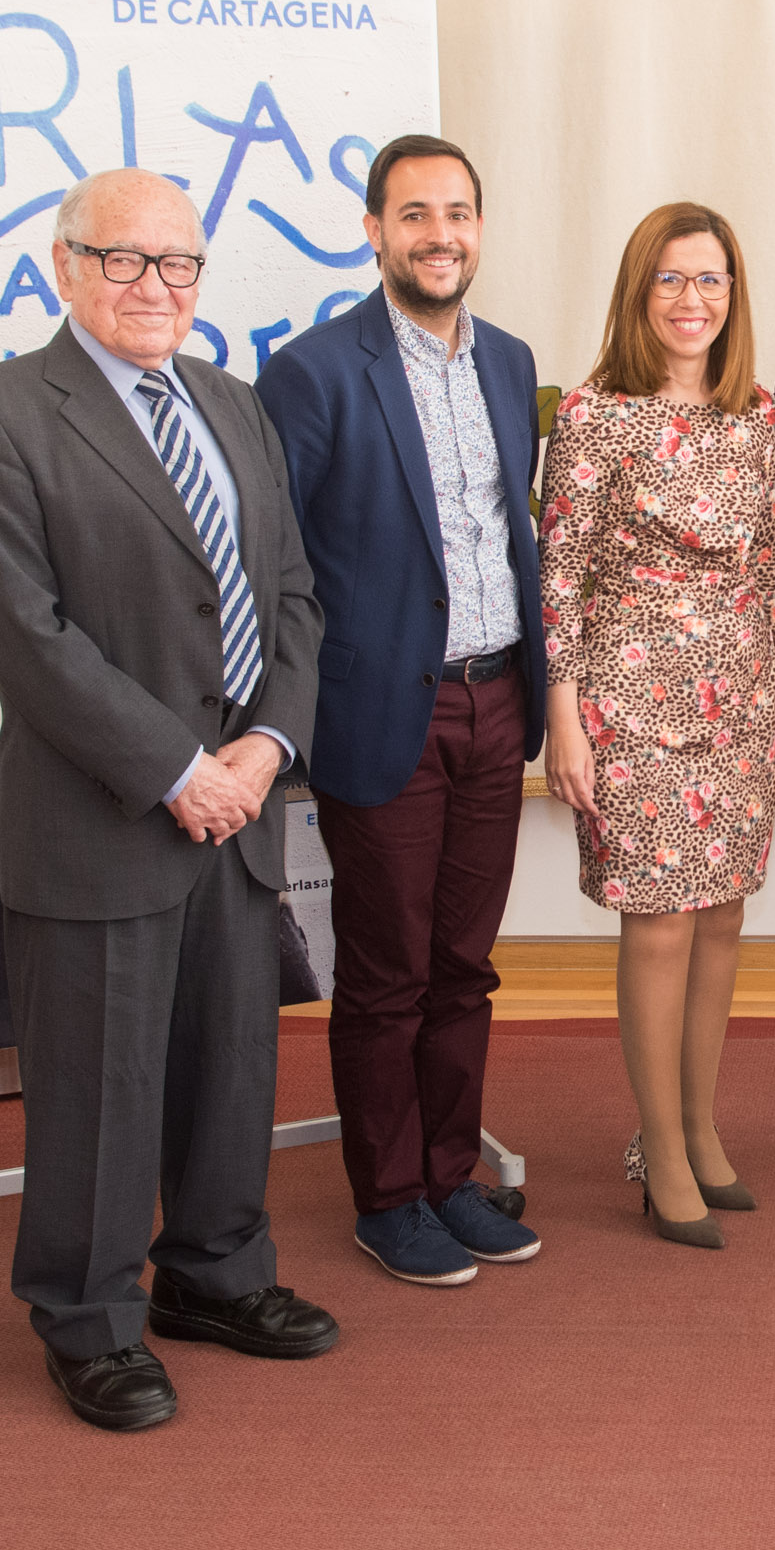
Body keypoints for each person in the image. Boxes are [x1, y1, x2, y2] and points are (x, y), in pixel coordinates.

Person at [0, 167, 337, 1434]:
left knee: (231, 1061)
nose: (157, 287)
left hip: (243, 805)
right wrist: (179, 769)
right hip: (107, 811)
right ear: (64, 266)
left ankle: (215, 1276)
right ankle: (89, 1319)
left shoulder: (232, 402)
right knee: (98, 1088)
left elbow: (288, 596)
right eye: (126, 260)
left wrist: (266, 748)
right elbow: (28, 634)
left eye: (180, 264)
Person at [255, 135, 547, 1287]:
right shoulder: (315, 372)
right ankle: (389, 1198)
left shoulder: (511, 361)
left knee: (466, 965)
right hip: (383, 712)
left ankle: (449, 1175)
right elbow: (280, 559)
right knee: (387, 973)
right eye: (415, 213)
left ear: (481, 226)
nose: (441, 234)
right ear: (372, 230)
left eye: (460, 212)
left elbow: (502, 528)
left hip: (497, 699)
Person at [538, 203, 775, 1248]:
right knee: (658, 920)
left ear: (733, 294)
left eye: (710, 280)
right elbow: (556, 579)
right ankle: (658, 1147)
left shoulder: (757, 412)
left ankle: (700, 1127)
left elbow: (770, 564)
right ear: (636, 292)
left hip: (740, 697)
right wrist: (562, 720)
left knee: (723, 916)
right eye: (669, 280)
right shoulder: (593, 415)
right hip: (632, 704)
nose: (691, 300)